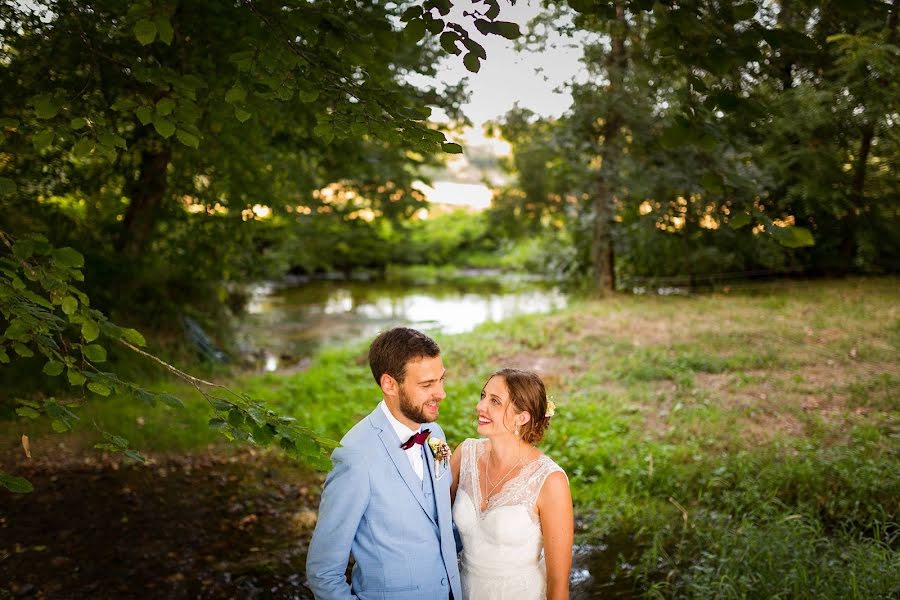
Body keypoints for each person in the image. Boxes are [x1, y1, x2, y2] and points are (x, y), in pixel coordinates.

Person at [306, 327, 462, 600]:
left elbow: (440, 522)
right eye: (427, 385)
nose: (441, 393)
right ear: (389, 384)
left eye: (441, 380)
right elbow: (323, 572)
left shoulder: (435, 434)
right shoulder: (355, 456)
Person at [450, 368, 574, 600]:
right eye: (483, 396)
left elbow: (558, 585)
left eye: (495, 401)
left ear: (522, 417)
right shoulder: (464, 454)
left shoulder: (549, 481)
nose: (480, 406)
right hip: (462, 591)